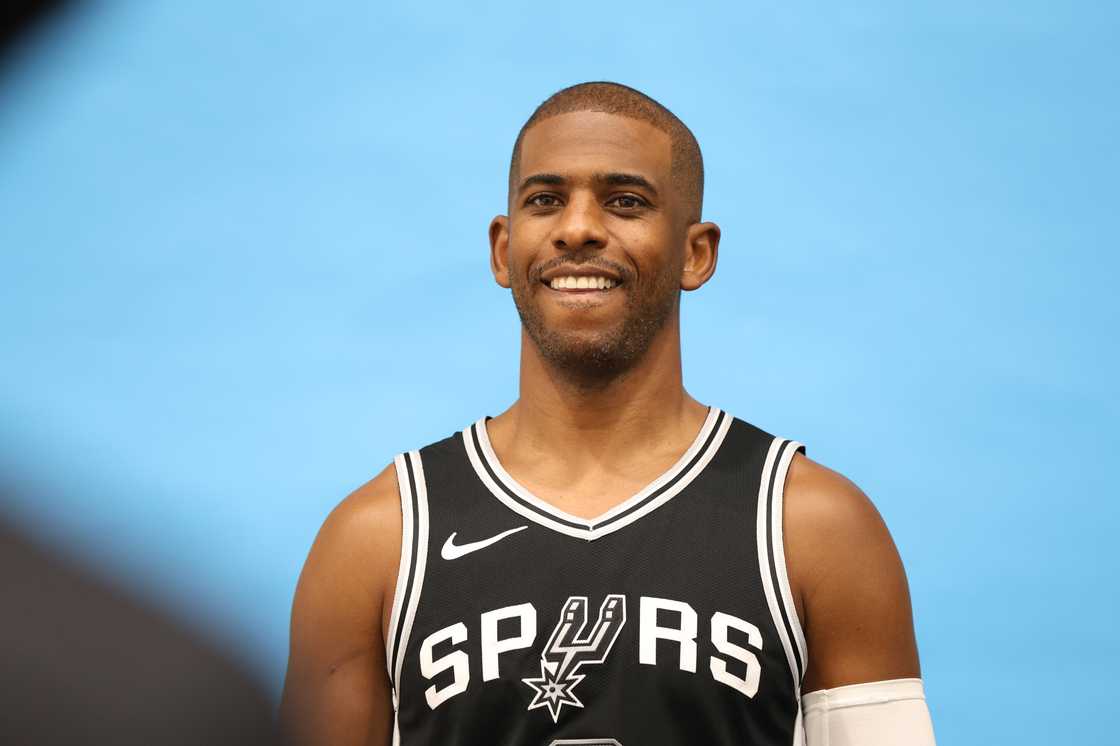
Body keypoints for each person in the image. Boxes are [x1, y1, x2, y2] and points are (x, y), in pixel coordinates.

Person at [280, 81, 937, 746]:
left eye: (625, 202)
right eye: (545, 201)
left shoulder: (814, 528)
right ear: (504, 250)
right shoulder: (377, 541)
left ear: (695, 252)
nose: (578, 229)